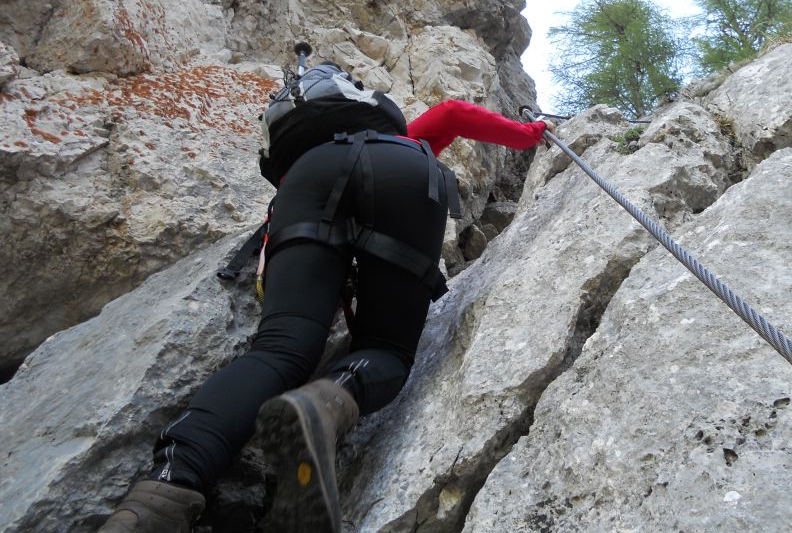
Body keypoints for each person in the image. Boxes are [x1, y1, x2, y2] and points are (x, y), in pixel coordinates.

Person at [99, 61, 552, 532]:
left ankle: (160, 496)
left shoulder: (309, 151)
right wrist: (529, 133)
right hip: (402, 166)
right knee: (385, 349)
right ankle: (325, 402)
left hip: (307, 179)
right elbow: (453, 113)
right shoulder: (400, 135)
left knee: (279, 350)